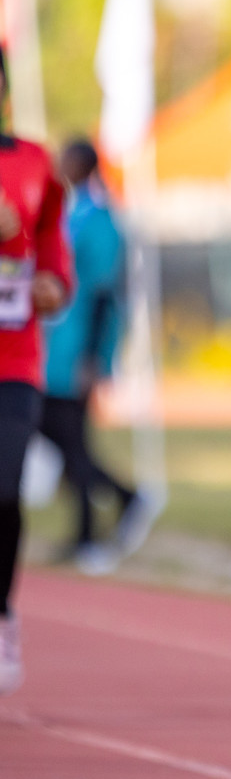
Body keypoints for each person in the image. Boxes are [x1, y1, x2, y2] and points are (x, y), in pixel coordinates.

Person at [38, 139, 155, 575]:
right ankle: (87, 530)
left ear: (81, 165)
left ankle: (126, 499)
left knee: (67, 438)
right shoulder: (75, 211)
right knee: (65, 440)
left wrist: (93, 358)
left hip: (77, 352)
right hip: (56, 350)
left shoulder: (102, 218)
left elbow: (105, 293)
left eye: (65, 159)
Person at [0, 46, 73, 694]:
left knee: (4, 486)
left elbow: (52, 244)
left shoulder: (31, 162)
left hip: (13, 358)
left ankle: (1, 615)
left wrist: (53, 281)